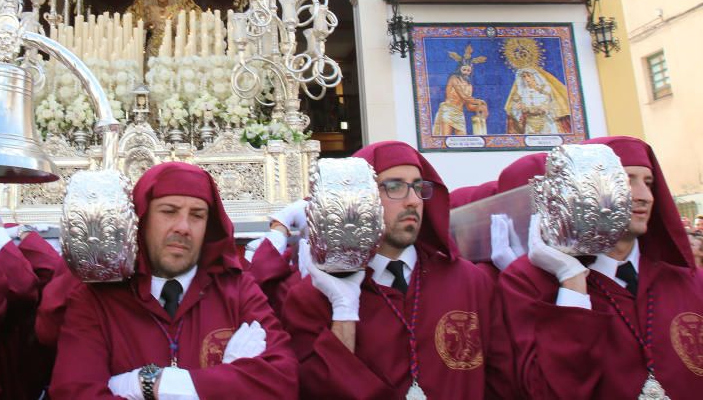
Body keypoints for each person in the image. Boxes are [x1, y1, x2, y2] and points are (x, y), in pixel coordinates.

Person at [283, 141, 516, 399]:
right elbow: (320, 390)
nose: (413, 201)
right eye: (394, 187)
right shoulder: (313, 296)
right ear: (361, 197)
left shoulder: (470, 282)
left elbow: (502, 383)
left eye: (419, 187)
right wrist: (343, 310)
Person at [50, 162, 297, 398]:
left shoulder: (238, 290)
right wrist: (226, 386)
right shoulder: (95, 299)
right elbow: (74, 392)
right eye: (169, 212)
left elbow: (283, 382)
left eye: (197, 215)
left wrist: (153, 385)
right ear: (142, 220)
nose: (183, 227)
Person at [499, 136, 702, 398]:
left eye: (649, 183)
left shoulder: (689, 282)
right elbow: (550, 392)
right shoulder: (529, 282)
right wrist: (572, 282)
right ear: (584, 188)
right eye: (627, 180)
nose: (645, 196)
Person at [432, 44, 488, 137]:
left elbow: (468, 106)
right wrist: (480, 102)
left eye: (468, 70)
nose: (466, 72)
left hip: (459, 114)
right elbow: (464, 96)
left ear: (471, 71)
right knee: (446, 139)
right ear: (459, 69)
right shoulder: (454, 79)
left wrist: (479, 107)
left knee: (462, 140)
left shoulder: (469, 85)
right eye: (464, 69)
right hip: (448, 111)